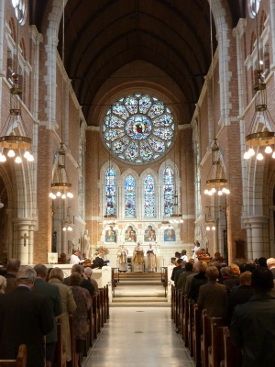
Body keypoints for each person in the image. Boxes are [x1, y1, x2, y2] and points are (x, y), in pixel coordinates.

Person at [0, 265, 54, 367]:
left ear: (17, 281)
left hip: (8, 352)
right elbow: (48, 327)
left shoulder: (3, 300)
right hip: (33, 352)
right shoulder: (40, 300)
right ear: (33, 282)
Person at [230, 267, 275, 367]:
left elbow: (236, 342)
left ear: (252, 285)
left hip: (253, 362)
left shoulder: (241, 310)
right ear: (272, 285)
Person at [33, 264, 62, 367]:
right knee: (48, 358)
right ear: (45, 274)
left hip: (31, 331)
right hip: (49, 330)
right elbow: (59, 311)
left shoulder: (30, 287)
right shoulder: (53, 289)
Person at [48, 267, 77, 365]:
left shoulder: (46, 286)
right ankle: (65, 361)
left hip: (47, 320)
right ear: (61, 276)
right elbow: (72, 307)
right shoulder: (65, 288)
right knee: (63, 342)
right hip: (62, 319)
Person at [70, 272, 92, 367]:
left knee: (70, 339)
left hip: (70, 318)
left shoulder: (68, 290)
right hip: (81, 319)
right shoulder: (84, 291)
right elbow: (88, 305)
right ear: (80, 280)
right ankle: (77, 361)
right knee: (79, 340)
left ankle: (71, 360)